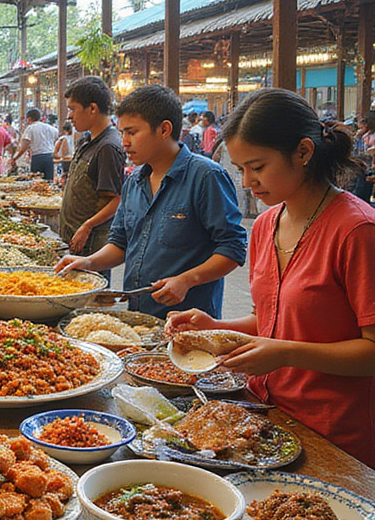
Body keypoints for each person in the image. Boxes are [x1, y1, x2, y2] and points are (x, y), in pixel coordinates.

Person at [167, 89, 375, 465]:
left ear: (304, 152)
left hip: (333, 435)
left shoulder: (357, 231)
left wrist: (286, 353)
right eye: (241, 169)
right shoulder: (265, 225)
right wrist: (215, 329)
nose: (248, 181)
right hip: (264, 417)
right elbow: (272, 321)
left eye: (258, 167)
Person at [56, 84, 247, 318]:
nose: (124, 142)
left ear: (164, 129)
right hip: (139, 316)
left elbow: (233, 248)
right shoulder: (134, 181)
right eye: (122, 132)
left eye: (132, 132)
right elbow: (120, 243)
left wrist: (187, 280)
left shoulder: (206, 177)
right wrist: (88, 263)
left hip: (188, 320)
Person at [57, 77, 125, 262]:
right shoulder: (87, 140)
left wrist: (87, 226)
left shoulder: (108, 147)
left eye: (73, 109)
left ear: (92, 108)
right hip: (75, 237)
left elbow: (116, 199)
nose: (69, 116)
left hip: (90, 242)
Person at [11, 107, 56, 180]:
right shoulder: (50, 128)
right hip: (49, 157)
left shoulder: (30, 128)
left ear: (29, 118)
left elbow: (24, 147)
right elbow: (57, 138)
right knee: (49, 181)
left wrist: (15, 158)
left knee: (36, 181)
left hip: (37, 157)